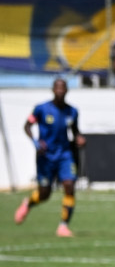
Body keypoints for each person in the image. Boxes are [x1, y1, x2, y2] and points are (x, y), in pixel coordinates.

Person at [15, 78, 86, 237]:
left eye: (63, 88)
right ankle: (28, 203)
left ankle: (63, 226)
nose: (60, 91)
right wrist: (35, 141)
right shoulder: (41, 109)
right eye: (57, 88)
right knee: (44, 194)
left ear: (67, 90)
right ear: (53, 90)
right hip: (45, 156)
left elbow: (75, 131)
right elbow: (27, 125)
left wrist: (80, 138)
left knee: (69, 185)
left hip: (65, 155)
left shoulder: (72, 111)